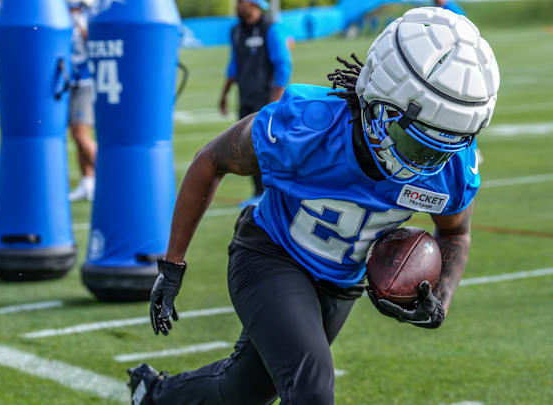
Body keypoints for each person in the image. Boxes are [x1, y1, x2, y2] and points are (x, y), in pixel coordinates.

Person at [130, 7, 499, 405]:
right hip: (271, 255)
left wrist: (440, 299)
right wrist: (172, 266)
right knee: (312, 389)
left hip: (341, 285)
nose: (422, 162)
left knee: (242, 391)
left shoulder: (450, 168)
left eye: (441, 147)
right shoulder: (305, 126)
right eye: (414, 140)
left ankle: (153, 395)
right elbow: (210, 161)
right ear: (377, 98)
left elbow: (455, 233)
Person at [219, 0, 292, 207]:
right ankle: (258, 193)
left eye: (241, 2)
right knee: (247, 147)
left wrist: (274, 102)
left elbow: (283, 65)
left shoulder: (271, 29)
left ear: (254, 4)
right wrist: (224, 94)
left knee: (270, 147)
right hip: (246, 98)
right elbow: (234, 65)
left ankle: (276, 194)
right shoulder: (235, 31)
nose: (237, 5)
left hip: (267, 98)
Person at [67, 0, 97, 202]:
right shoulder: (64, 14)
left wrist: (81, 24)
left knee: (80, 134)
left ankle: (111, 176)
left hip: (86, 81)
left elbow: (93, 42)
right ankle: (87, 181)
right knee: (76, 134)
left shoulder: (88, 16)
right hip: (70, 80)